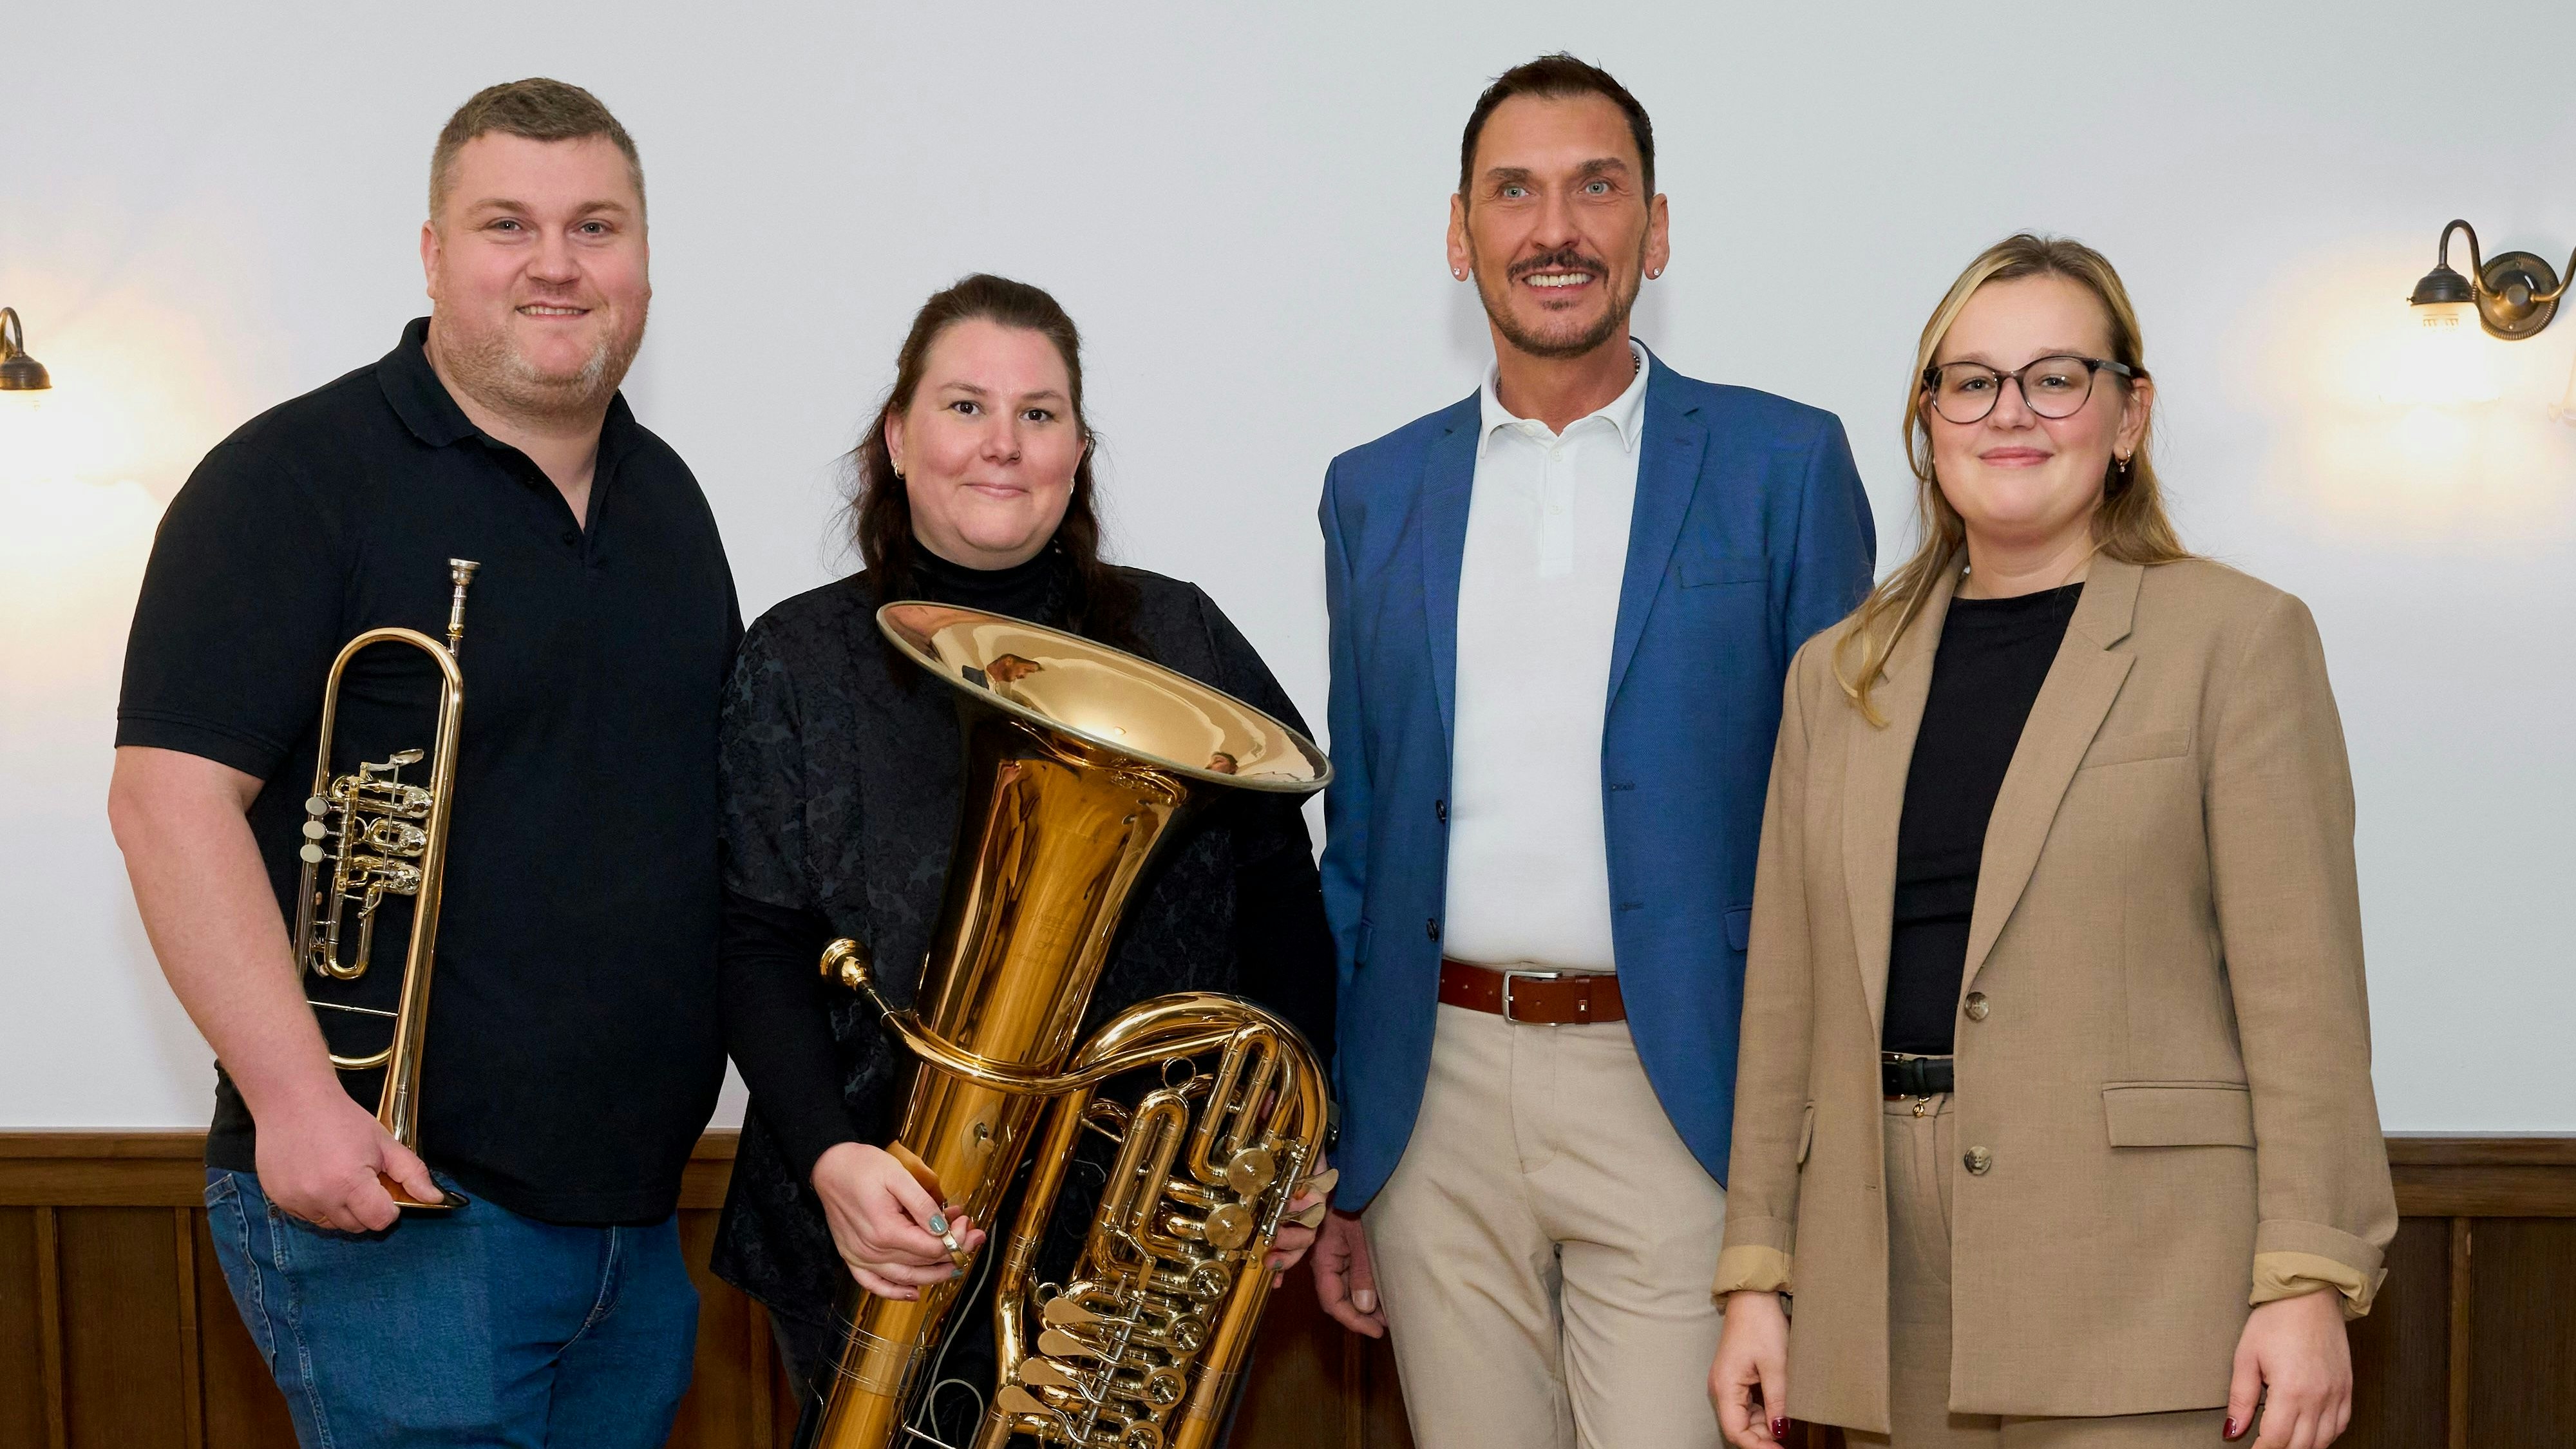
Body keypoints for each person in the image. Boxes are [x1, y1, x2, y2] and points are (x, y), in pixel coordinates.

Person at [107, 79, 739, 1447]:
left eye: (596, 226)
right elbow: (166, 802)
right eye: (508, 224)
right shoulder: (290, 477)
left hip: (636, 1217)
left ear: (642, 261)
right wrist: (296, 1103)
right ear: (434, 254)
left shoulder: (670, 503)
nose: (556, 263)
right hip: (399, 1203)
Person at [1707, 234, 2398, 1449]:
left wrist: (2307, 1279)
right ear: (1929, 422)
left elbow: (2304, 996)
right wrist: (1759, 1273)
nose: (2010, 412)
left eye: (2056, 378)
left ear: (2129, 416)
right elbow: (1786, 1000)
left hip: (2145, 1273)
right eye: (1972, 381)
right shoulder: (1840, 674)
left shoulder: (2237, 641)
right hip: (1883, 1281)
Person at [1309, 54, 1877, 1449]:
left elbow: (1843, 837)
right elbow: (1361, 837)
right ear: (1460, 236)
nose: (1553, 228)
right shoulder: (1371, 492)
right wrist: (1344, 1156)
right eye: (1513, 192)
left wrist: (1809, 1159)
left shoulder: (1784, 465)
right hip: (1432, 1099)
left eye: (1595, 187)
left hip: (1682, 1090)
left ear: (1654, 229)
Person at [710, 273, 1338, 1443]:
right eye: (965, 406)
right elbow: (756, 936)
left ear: (1077, 451)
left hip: (1138, 1239)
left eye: (1039, 413)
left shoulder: (1182, 636)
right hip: (871, 1207)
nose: (1002, 443)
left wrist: (1291, 1145)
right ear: (898, 437)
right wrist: (832, 1158)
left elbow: (1281, 899)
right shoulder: (798, 658)